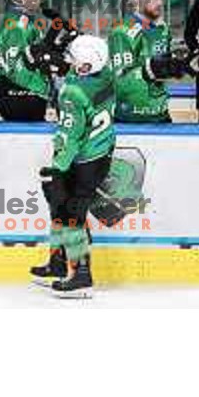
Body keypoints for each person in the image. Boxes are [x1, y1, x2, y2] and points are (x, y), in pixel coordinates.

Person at [30, 35, 116, 299]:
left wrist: (57, 169)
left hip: (80, 159)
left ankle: (81, 274)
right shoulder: (106, 77)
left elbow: (70, 135)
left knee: (70, 212)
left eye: (75, 59)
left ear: (86, 65)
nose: (69, 61)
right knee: (60, 206)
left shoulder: (72, 92)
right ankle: (58, 263)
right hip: (100, 154)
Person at [108, 0, 190, 123]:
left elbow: (164, 67)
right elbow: (120, 79)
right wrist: (150, 70)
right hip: (130, 117)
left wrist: (179, 66)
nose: (159, 2)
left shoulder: (162, 28)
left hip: (160, 113)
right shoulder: (122, 31)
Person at [0, 0, 71, 122]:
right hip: (18, 97)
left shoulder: (27, 21)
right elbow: (15, 68)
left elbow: (33, 52)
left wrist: (56, 40)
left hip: (21, 95)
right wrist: (42, 90)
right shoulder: (17, 25)